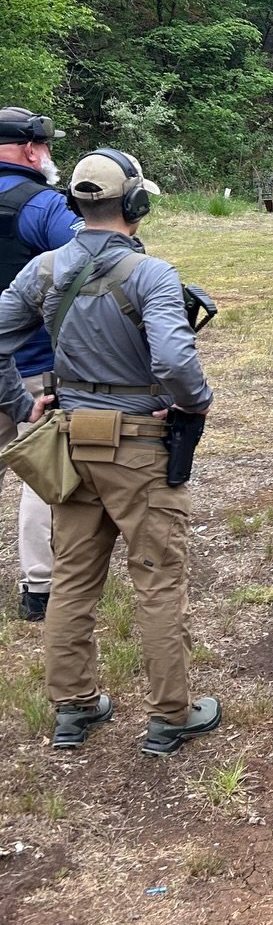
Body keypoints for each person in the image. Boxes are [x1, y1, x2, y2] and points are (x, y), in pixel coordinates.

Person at [0, 149, 220, 756]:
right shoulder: (152, 275)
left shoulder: (44, 270)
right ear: (136, 204)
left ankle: (73, 708)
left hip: (71, 445)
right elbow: (174, 362)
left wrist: (23, 408)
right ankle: (170, 714)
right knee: (156, 578)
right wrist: (195, 402)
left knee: (72, 577)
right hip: (140, 450)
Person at [0, 109, 78, 622]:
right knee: (41, 472)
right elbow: (90, 261)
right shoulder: (41, 205)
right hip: (29, 365)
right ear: (33, 149)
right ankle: (42, 587)